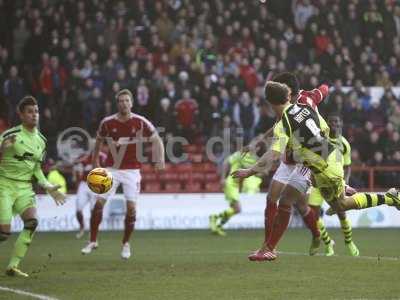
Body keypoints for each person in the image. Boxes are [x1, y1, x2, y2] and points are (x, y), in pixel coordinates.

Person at [232, 81, 399, 261]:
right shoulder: (304, 104)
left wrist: (249, 171)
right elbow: (322, 113)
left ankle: (389, 197)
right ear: (288, 96)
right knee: (289, 200)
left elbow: (273, 154)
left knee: (340, 205)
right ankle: (270, 248)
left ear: (270, 103)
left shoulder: (284, 124)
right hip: (328, 158)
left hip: (325, 168)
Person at [244, 72, 329, 260]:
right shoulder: (286, 107)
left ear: (287, 90)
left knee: (300, 205)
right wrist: (257, 142)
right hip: (290, 159)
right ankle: (268, 246)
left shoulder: (304, 100)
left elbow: (323, 90)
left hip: (308, 159)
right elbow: (277, 126)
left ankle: (316, 234)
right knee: (272, 197)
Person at [81, 89, 165, 259]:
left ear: (131, 103)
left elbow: (157, 139)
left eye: (127, 100)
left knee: (131, 210)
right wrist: (95, 160)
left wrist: (160, 159)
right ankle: (92, 240)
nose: (124, 103)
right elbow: (98, 141)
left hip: (132, 171)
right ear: (117, 103)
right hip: (111, 169)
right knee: (98, 205)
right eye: (121, 101)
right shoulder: (107, 122)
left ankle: (126, 244)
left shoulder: (140, 122)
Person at [0, 96, 66, 277]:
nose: (34, 115)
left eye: (36, 111)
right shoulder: (10, 135)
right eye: (30, 112)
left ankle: (12, 266)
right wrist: (1, 149)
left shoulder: (42, 141)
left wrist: (48, 186)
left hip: (24, 189)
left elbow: (36, 169)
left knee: (32, 222)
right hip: (4, 185)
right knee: (4, 234)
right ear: (21, 115)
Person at [307, 114, 359, 256]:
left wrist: (346, 182)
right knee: (313, 214)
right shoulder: (321, 138)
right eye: (331, 122)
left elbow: (347, 166)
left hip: (335, 183)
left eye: (337, 121)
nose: (334, 124)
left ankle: (349, 242)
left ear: (341, 123)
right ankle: (328, 242)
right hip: (318, 182)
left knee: (341, 213)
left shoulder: (344, 144)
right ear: (327, 123)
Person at [209, 149, 263, 236]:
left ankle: (218, 226)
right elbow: (226, 162)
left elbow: (253, 173)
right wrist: (223, 178)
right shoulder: (240, 154)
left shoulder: (252, 159)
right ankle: (214, 217)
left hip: (235, 186)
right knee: (237, 209)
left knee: (233, 209)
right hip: (231, 184)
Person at [73, 150, 106, 239]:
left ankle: (93, 231)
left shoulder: (103, 156)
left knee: (93, 210)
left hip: (95, 185)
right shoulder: (84, 155)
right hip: (84, 184)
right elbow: (75, 163)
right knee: (78, 208)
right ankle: (82, 228)